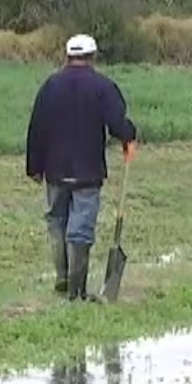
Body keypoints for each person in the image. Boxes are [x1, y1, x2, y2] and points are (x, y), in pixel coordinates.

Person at [26, 34, 137, 301]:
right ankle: (76, 290)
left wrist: (34, 167)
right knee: (81, 228)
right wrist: (129, 137)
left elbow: (36, 128)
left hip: (54, 169)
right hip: (88, 170)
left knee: (57, 221)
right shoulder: (103, 86)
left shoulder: (50, 86)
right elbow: (117, 121)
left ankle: (63, 278)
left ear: (67, 56)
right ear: (93, 57)